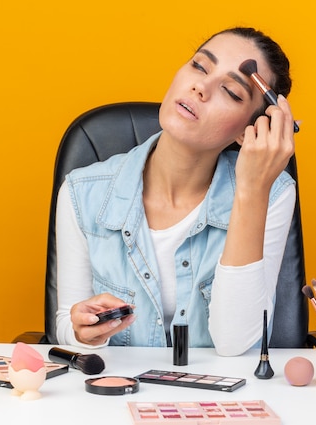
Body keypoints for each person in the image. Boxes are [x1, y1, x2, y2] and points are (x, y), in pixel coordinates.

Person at [55, 27, 297, 356]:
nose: (201, 87)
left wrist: (252, 191)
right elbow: (65, 324)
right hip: (117, 396)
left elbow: (234, 343)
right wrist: (81, 330)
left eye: (230, 91)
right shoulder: (82, 194)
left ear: (248, 131)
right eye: (199, 66)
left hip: (219, 399)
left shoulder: (273, 193)